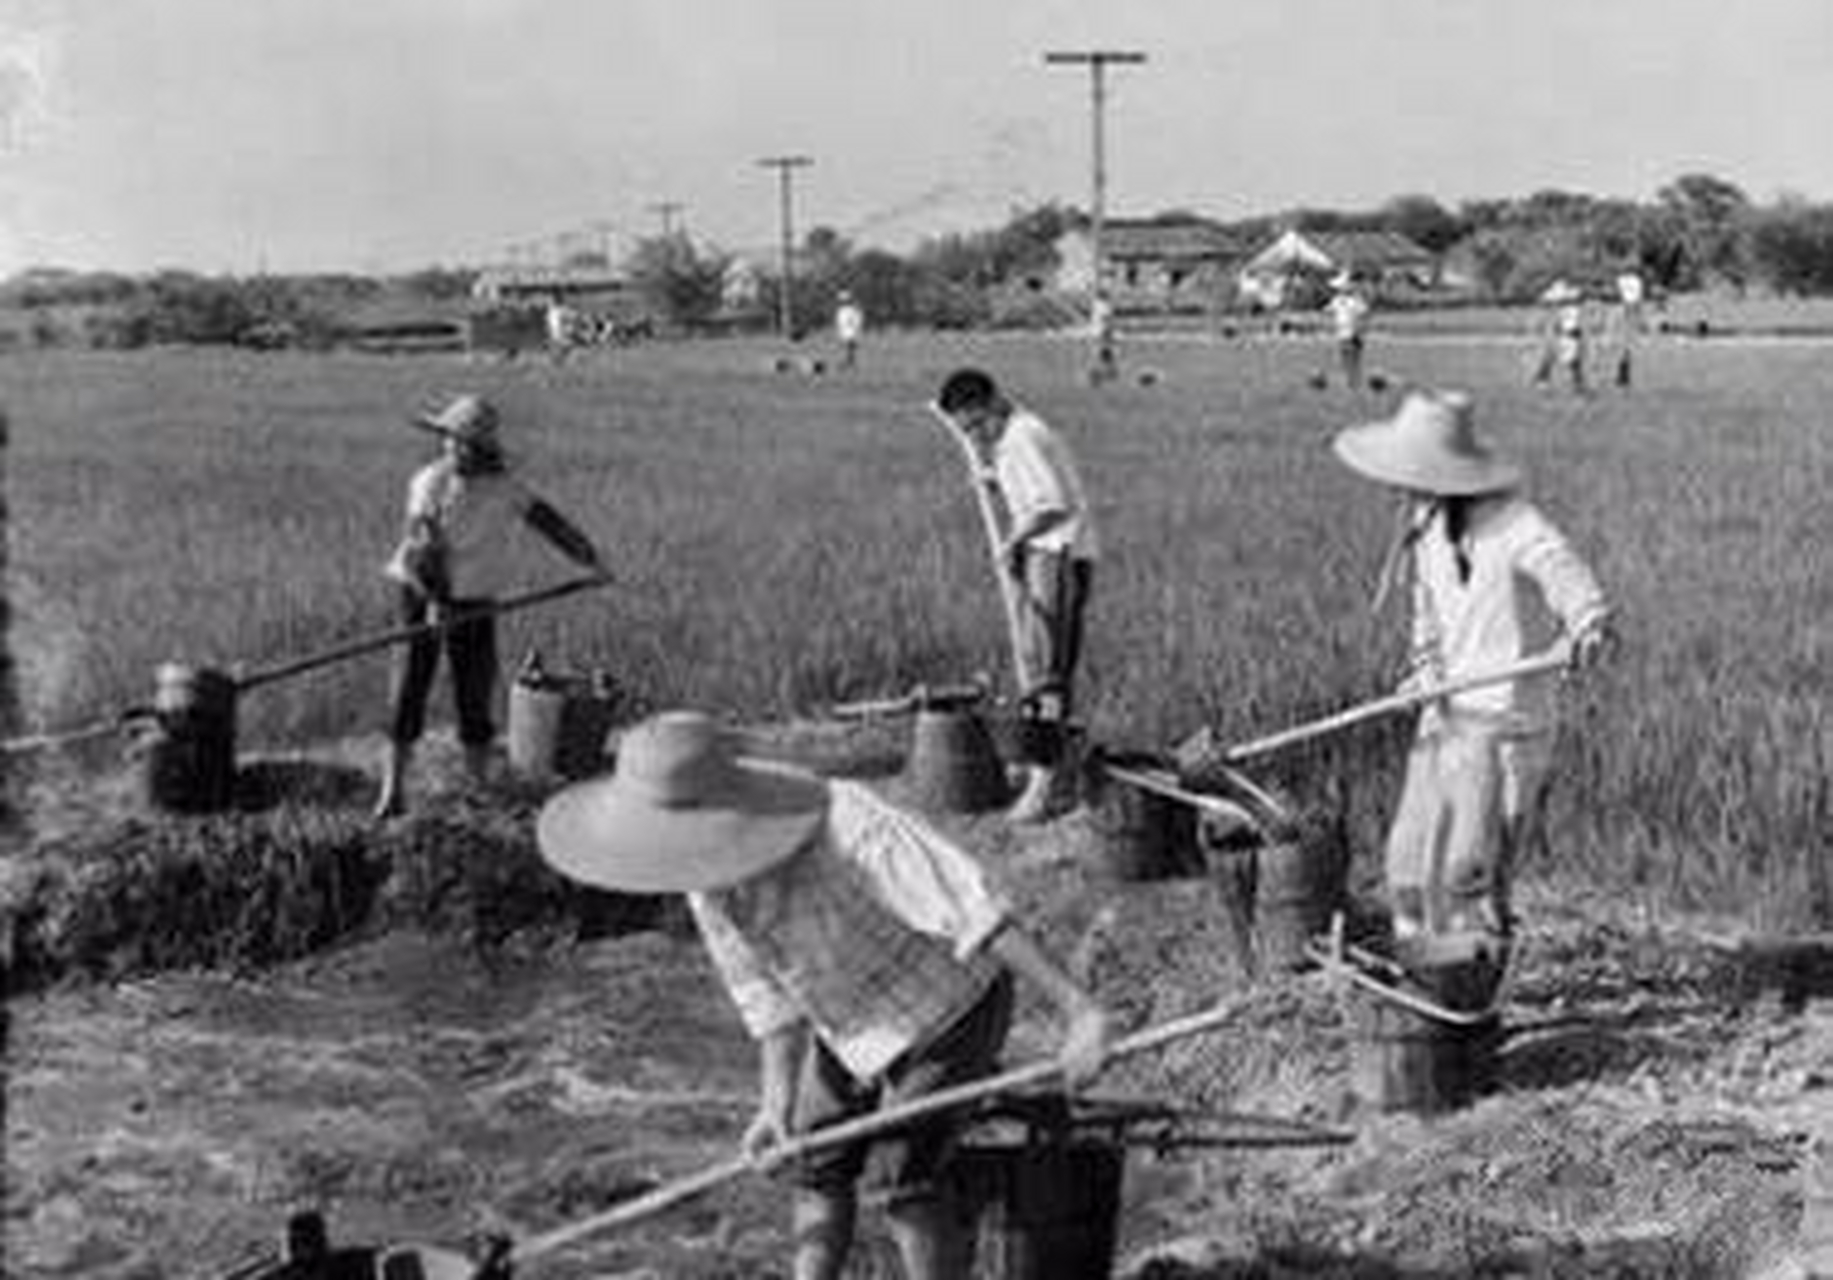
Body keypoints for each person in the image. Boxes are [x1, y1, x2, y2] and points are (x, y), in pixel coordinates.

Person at [535, 710, 1113, 1280]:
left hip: (950, 1006)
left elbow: (974, 908)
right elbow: (763, 992)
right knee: (814, 1161)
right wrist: (775, 1102)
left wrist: (1079, 1013)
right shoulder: (700, 872)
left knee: (900, 1178)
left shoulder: (847, 822)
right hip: (851, 1022)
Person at [1331, 389, 1613, 942]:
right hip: (1445, 711)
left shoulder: (1515, 523)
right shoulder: (1425, 521)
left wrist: (1588, 622)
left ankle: (1481, 967)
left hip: (1510, 722)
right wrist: (1424, 669)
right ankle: (1418, 958)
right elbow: (1426, 612)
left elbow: (1567, 574)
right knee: (1408, 861)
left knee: (1476, 868)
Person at [373, 393, 605, 818]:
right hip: (419, 591)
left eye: (455, 440)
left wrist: (590, 557)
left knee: (475, 688)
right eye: (446, 439)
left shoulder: (505, 488)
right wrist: (435, 602)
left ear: (477, 447)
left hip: (476, 600)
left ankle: (478, 786)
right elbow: (423, 551)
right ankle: (393, 791)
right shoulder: (431, 483)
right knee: (409, 686)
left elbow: (549, 521)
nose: (447, 447)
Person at [935, 367, 1099, 823]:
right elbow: (1031, 489)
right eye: (965, 431)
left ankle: (1045, 785)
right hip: (1045, 552)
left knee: (1046, 672)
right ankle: (1045, 768)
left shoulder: (1023, 435)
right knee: (1037, 663)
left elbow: (1051, 505)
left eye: (974, 425)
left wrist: (1010, 543)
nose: (975, 436)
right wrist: (993, 477)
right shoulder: (1010, 439)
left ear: (991, 403)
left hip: (1057, 553)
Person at [1325, 271, 1372, 391]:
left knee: (1354, 359)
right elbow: (1328, 310)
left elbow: (1363, 315)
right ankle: (1351, 382)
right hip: (1341, 333)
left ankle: (1355, 382)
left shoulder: (1354, 300)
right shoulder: (1338, 301)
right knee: (1345, 358)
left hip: (1352, 333)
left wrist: (1359, 332)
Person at [833, 290, 865, 370]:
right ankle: (848, 365)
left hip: (848, 333)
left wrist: (854, 329)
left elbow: (855, 321)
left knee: (847, 350)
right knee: (849, 351)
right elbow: (858, 320)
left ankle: (847, 365)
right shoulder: (850, 310)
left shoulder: (846, 310)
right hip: (849, 333)